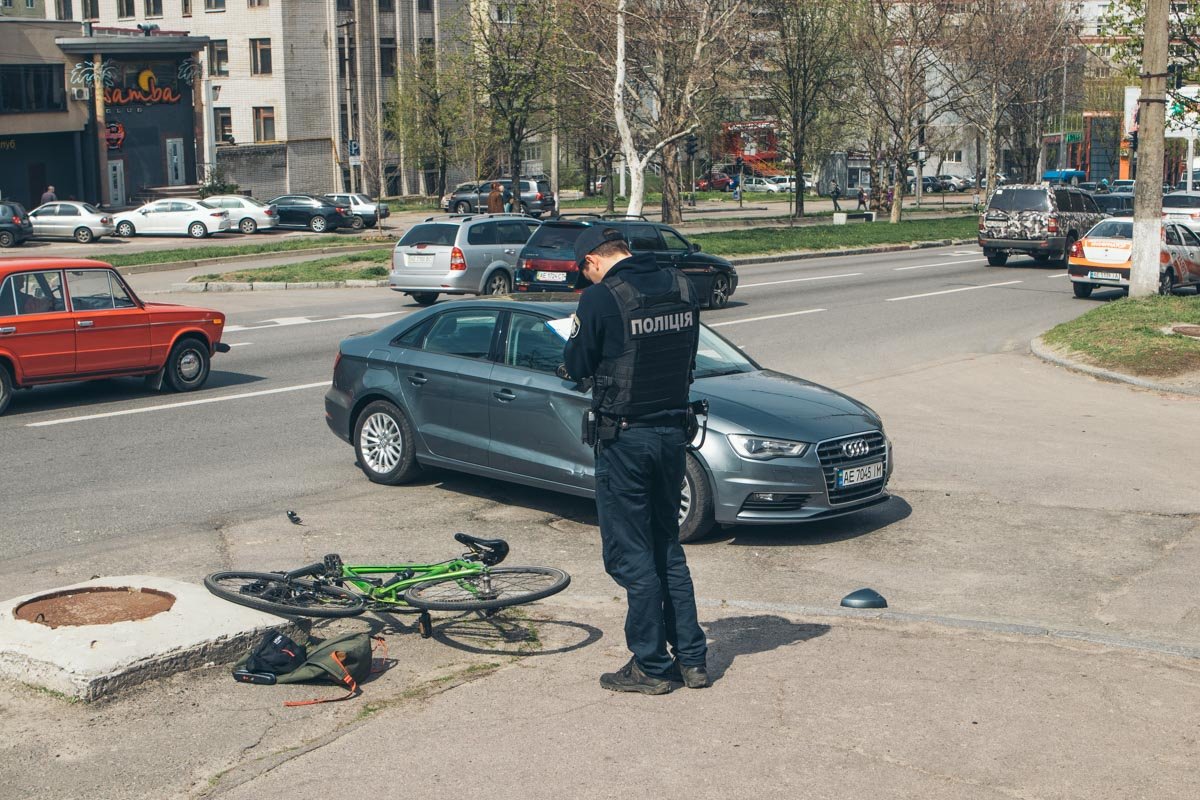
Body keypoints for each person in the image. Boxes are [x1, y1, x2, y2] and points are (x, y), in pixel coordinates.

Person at [561, 226, 708, 695]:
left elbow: (578, 365)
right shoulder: (682, 286)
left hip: (626, 440)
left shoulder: (601, 299)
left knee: (631, 554)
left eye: (585, 272)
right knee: (668, 546)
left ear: (593, 262)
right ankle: (692, 661)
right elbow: (686, 359)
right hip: (673, 437)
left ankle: (649, 664)